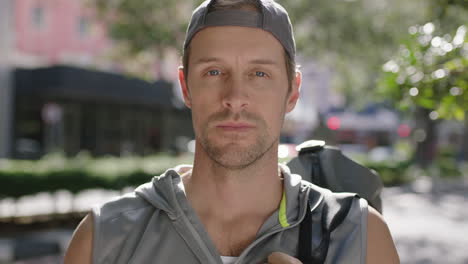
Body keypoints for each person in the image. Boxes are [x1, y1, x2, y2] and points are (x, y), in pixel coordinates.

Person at [65, 0, 400, 263]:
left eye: (259, 74)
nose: (235, 98)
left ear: (293, 90)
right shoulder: (104, 238)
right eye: (213, 71)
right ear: (185, 87)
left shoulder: (360, 236)